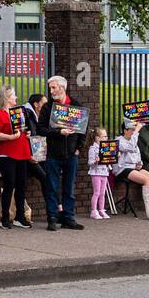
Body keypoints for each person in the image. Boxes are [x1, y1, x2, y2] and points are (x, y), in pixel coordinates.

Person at [38, 75, 84, 231]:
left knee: (69, 187)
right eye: (50, 88)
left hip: (71, 154)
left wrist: (79, 148)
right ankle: (52, 217)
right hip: (53, 154)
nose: (51, 91)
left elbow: (82, 129)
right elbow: (41, 129)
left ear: (62, 88)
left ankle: (68, 217)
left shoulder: (76, 105)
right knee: (52, 187)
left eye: (53, 88)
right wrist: (59, 132)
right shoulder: (48, 108)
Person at [0, 83, 32, 229]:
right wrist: (10, 137)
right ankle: (5, 217)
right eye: (14, 94)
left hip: (21, 151)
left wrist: (27, 133)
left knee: (22, 185)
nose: (16, 97)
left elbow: (22, 128)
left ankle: (20, 215)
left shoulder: (18, 112)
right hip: (6, 153)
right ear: (7, 97)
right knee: (9, 184)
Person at [21, 92, 51, 199]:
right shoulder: (28, 114)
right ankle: (54, 208)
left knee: (48, 178)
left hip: (37, 154)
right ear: (36, 104)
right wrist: (30, 155)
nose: (46, 107)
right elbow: (31, 136)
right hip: (29, 156)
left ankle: (54, 207)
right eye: (44, 104)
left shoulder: (36, 115)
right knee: (45, 178)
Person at [87, 127, 112, 220]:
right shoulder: (93, 148)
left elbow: (109, 159)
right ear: (97, 138)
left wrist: (115, 155)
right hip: (96, 172)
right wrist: (95, 162)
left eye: (106, 136)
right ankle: (94, 211)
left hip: (104, 172)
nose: (106, 138)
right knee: (96, 192)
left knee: (102, 193)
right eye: (104, 136)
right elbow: (90, 162)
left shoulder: (106, 148)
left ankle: (101, 209)